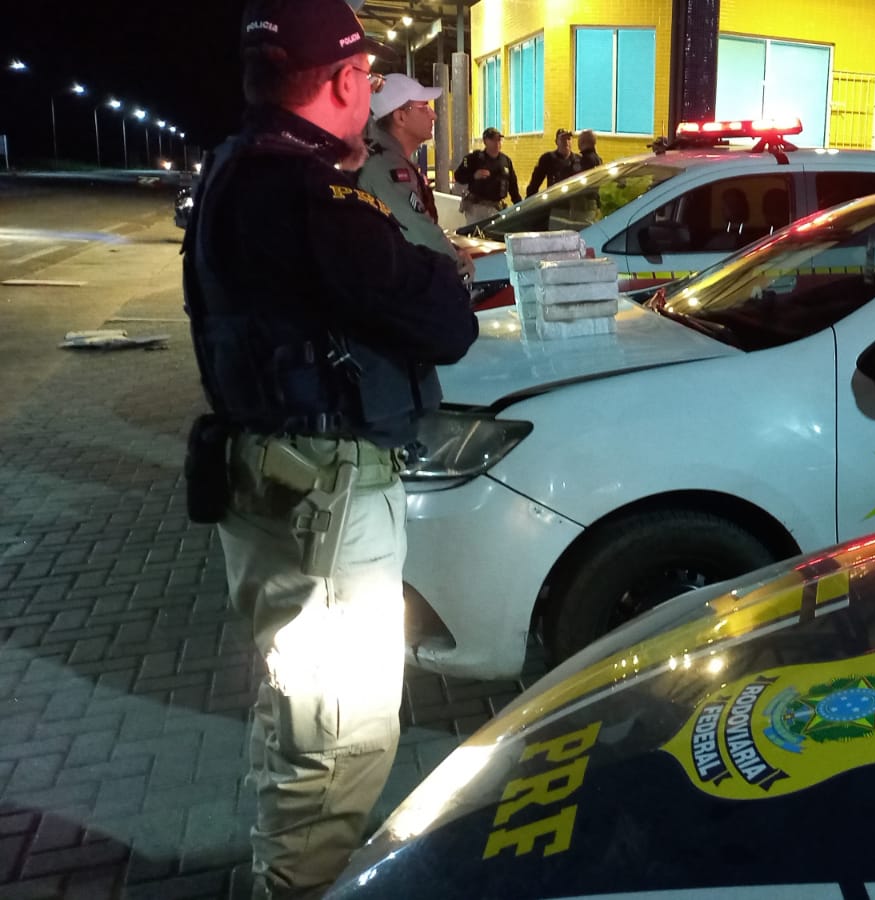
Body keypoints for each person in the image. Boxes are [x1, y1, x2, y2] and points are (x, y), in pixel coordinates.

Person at [180, 1, 478, 897]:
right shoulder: (310, 194)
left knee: (295, 707)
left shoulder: (232, 167)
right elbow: (446, 322)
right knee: (340, 733)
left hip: (267, 478)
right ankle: (297, 886)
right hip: (326, 499)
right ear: (347, 80)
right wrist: (432, 262)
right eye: (367, 77)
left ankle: (279, 866)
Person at [358, 73, 473, 277]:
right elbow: (419, 231)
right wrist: (457, 263)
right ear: (400, 117)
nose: (433, 115)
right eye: (424, 107)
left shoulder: (384, 158)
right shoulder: (387, 167)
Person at [453, 127, 520, 223]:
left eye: (498, 140)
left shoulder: (506, 161)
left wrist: (519, 205)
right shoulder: (473, 158)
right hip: (477, 208)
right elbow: (458, 176)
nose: (497, 143)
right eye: (493, 140)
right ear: (485, 141)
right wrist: (473, 176)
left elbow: (513, 186)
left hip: (497, 208)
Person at [526, 127, 580, 195]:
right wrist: (530, 199)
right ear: (556, 142)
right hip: (555, 198)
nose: (566, 142)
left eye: (568, 139)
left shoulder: (578, 160)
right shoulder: (548, 159)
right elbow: (534, 184)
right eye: (562, 139)